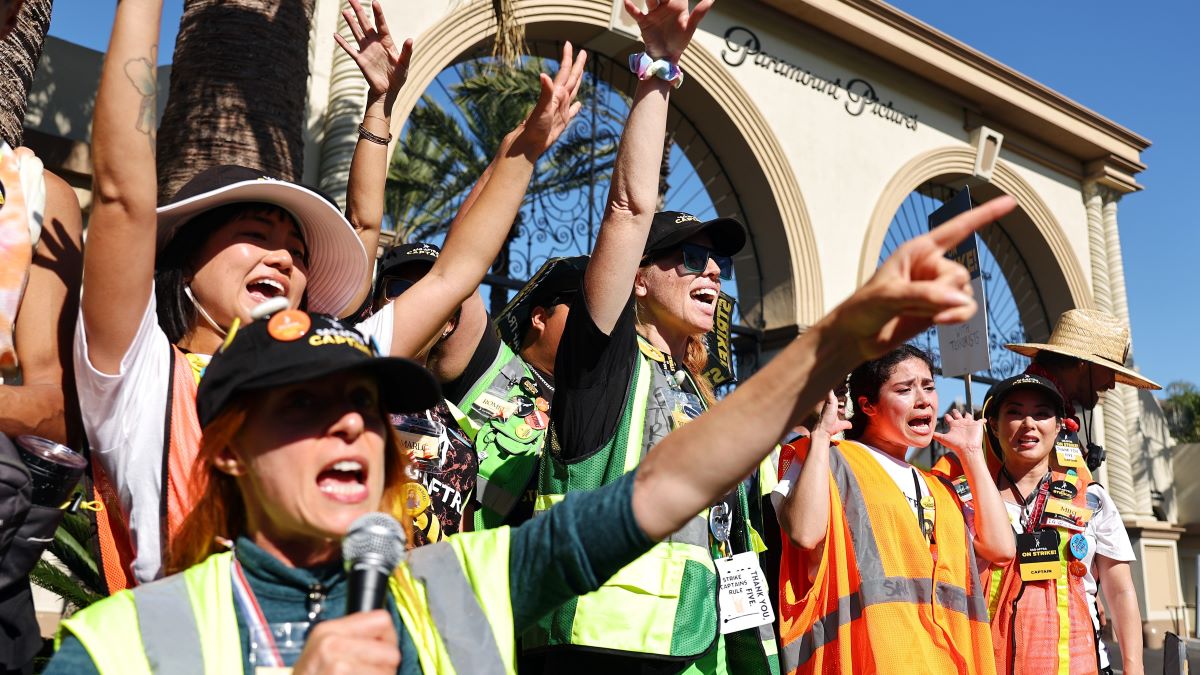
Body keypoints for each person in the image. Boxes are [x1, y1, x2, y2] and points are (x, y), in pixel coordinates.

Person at [43, 153, 1017, 675]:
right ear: (225, 454)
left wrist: (839, 341)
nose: (350, 427)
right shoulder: (126, 646)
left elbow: (672, 480)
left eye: (366, 405)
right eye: (303, 405)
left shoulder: (456, 587)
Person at [76, 0, 584, 589]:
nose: (283, 258)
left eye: (296, 250)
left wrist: (526, 148)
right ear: (186, 262)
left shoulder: (326, 365)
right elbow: (121, 195)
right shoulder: (139, 377)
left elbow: (452, 275)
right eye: (254, 235)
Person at [774, 343, 1014, 674]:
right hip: (868, 661)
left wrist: (972, 453)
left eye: (929, 386)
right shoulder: (830, 459)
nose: (924, 399)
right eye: (905, 389)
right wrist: (819, 439)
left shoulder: (938, 487)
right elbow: (804, 532)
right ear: (867, 405)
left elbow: (1001, 548)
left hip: (946, 662)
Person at [970, 374, 1143, 675]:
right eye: (1014, 412)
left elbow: (1121, 591)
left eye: (1041, 413)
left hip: (1082, 665)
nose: (1029, 424)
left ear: (1060, 425)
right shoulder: (966, 502)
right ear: (994, 425)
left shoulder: (1091, 499)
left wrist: (1134, 667)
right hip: (990, 665)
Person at [1006, 308, 1161, 471]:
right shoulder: (1031, 405)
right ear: (1083, 363)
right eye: (1109, 371)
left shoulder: (1055, 410)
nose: (1112, 384)